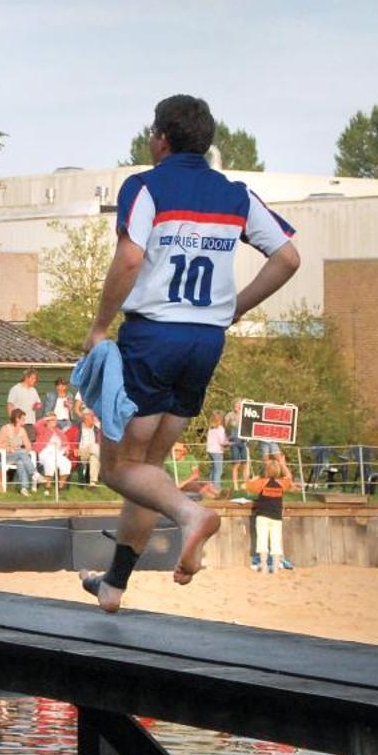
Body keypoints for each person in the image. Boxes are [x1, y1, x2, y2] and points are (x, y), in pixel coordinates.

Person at [80, 94, 300, 614]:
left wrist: (98, 326)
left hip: (154, 337)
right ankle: (114, 584)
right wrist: (236, 307)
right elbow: (288, 257)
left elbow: (130, 260)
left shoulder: (145, 186)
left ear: (160, 138)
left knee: (117, 466)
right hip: (206, 341)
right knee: (149, 466)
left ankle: (189, 514)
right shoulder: (236, 195)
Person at [249, 453, 294, 573]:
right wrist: (283, 464)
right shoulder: (281, 484)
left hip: (263, 516)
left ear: (267, 471)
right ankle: (275, 568)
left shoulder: (261, 482)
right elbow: (289, 477)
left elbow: (249, 487)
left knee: (262, 542)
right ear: (278, 472)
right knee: (276, 543)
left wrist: (252, 480)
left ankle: (263, 567)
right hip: (276, 517)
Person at [0, 409, 38, 495]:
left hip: (18, 455)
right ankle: (34, 473)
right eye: (23, 419)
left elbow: (28, 445)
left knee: (21, 462)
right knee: (21, 452)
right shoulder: (5, 429)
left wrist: (25, 450)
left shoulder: (22, 430)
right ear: (17, 419)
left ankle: (24, 488)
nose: (25, 421)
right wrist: (8, 449)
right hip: (6, 455)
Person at [204, 413, 229, 493]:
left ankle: (210, 488)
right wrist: (229, 443)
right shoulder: (220, 429)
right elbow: (222, 442)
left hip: (210, 450)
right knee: (218, 470)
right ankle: (217, 489)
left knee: (213, 469)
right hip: (217, 451)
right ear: (221, 420)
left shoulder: (211, 428)